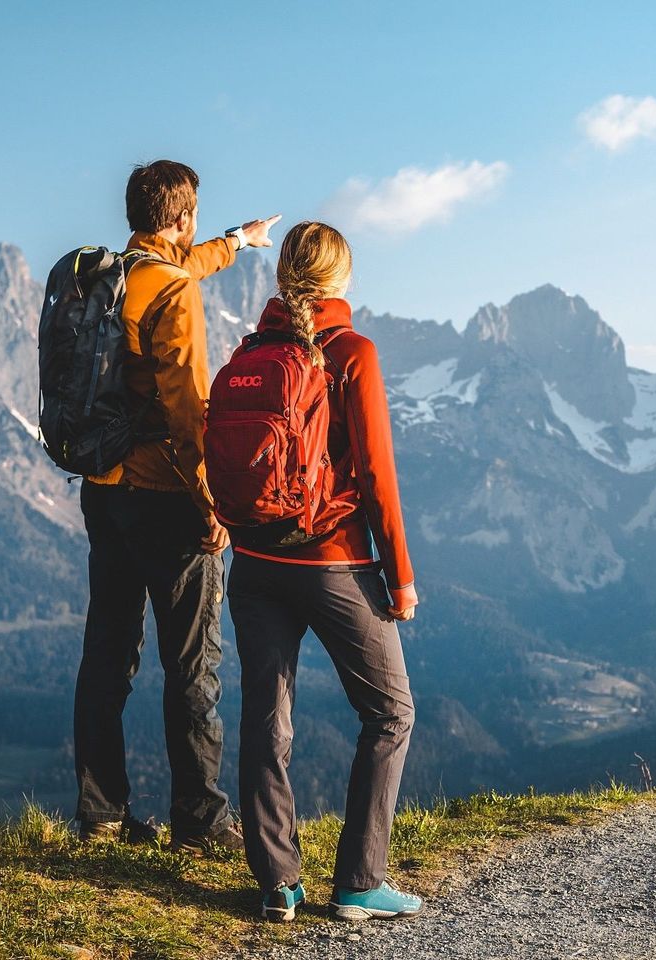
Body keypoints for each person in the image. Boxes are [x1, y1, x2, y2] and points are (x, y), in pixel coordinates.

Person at [73, 159, 279, 853]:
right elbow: (189, 414)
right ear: (182, 217)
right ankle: (200, 819)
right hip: (166, 495)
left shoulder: (112, 277)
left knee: (108, 652)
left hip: (104, 492)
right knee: (192, 664)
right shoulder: (175, 294)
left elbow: (185, 262)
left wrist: (239, 240)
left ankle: (101, 815)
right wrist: (214, 507)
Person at [227, 221, 422, 922]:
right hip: (333, 565)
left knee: (265, 720)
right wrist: (399, 575)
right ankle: (359, 880)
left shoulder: (251, 352)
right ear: (342, 280)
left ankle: (277, 883)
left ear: (282, 276)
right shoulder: (353, 354)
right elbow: (377, 474)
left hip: (250, 563)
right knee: (390, 712)